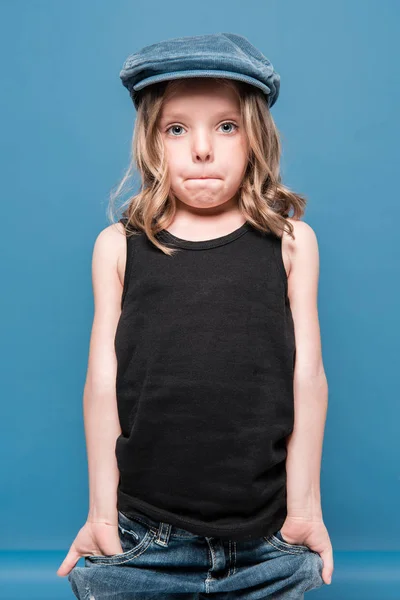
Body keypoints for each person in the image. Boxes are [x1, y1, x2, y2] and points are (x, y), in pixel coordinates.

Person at [58, 32, 334, 598]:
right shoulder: (117, 245)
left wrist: (305, 510)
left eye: (226, 126)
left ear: (255, 138)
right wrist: (101, 517)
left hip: (266, 545)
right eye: (176, 128)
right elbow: (102, 383)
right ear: (152, 143)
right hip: (143, 543)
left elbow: (307, 376)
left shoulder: (291, 243)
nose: (202, 149)